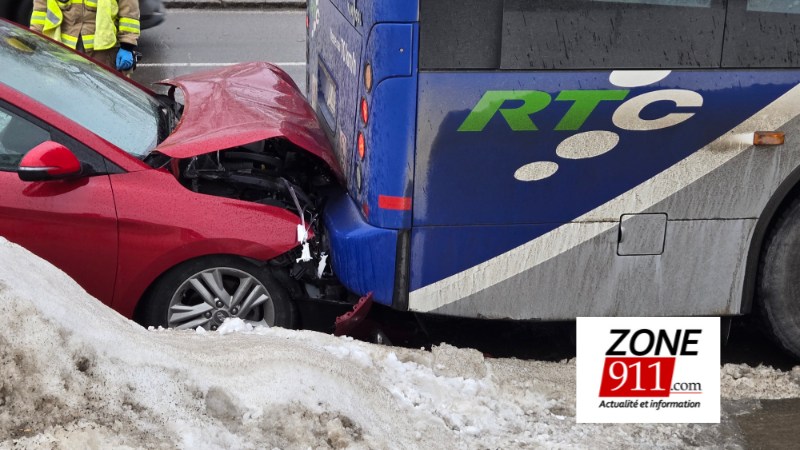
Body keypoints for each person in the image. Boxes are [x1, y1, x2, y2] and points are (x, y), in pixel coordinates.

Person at [29, 0, 140, 72]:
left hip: (103, 50)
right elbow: (40, 10)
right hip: (63, 49)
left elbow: (129, 10)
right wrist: (33, 38)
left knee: (103, 96)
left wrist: (127, 45)